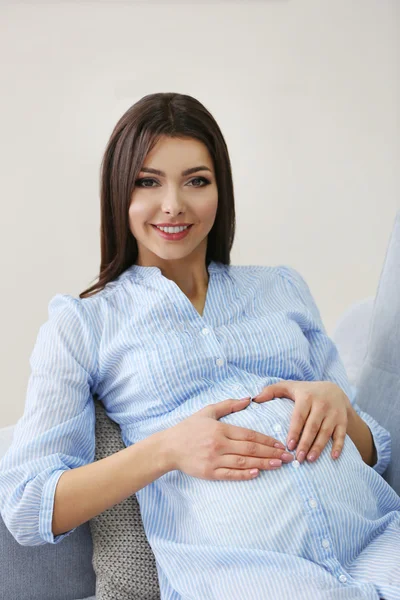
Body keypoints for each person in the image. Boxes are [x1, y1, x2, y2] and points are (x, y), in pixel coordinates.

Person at [0, 92, 399, 600]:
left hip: (382, 544)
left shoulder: (281, 288)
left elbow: (372, 455)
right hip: (253, 582)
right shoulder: (83, 325)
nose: (173, 204)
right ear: (119, 192)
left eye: (196, 181)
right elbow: (27, 504)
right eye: (148, 182)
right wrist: (167, 450)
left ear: (220, 190)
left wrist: (341, 407)